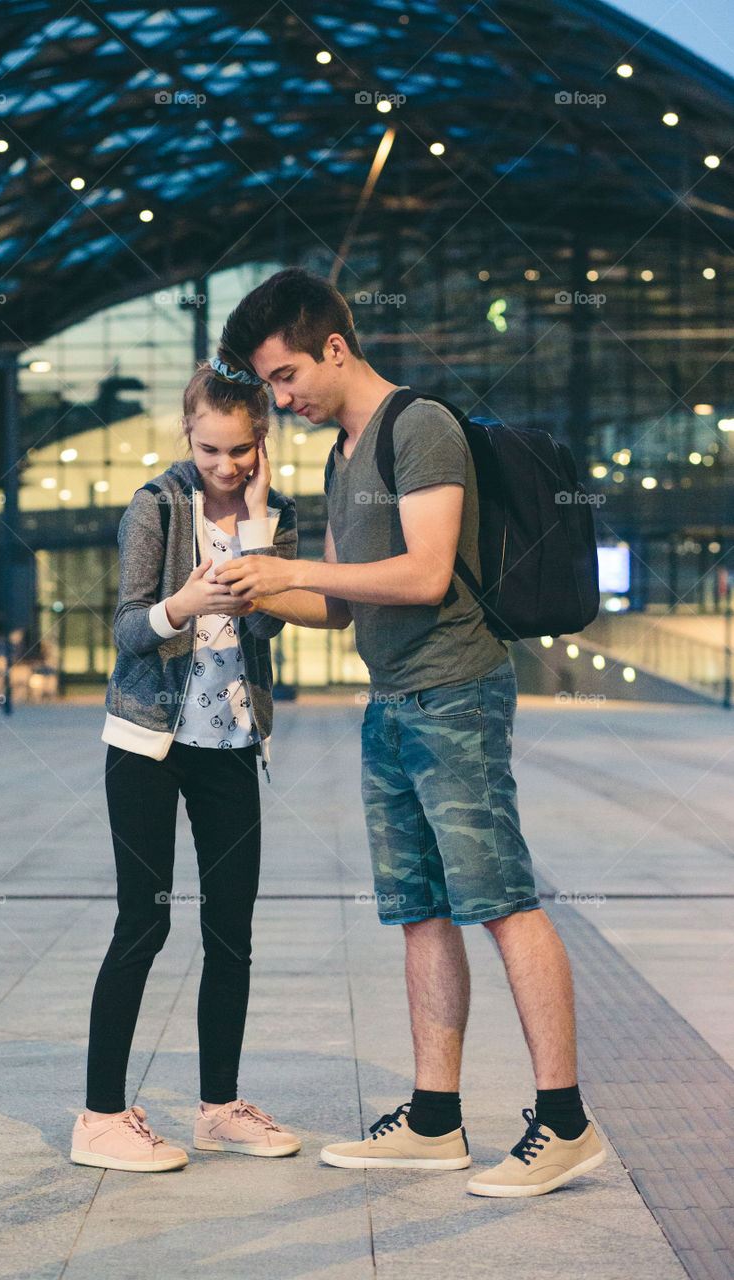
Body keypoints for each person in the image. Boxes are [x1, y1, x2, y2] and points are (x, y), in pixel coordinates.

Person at [213, 268, 606, 1197]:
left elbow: (426, 574)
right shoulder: (341, 452)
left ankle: (565, 1121)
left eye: (283, 376)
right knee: (419, 913)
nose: (280, 398)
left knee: (501, 899)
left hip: (456, 697)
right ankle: (433, 1119)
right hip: (390, 702)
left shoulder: (417, 427)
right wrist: (259, 588)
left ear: (335, 348)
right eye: (269, 383)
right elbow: (345, 606)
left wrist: (294, 564)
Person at [70, 357, 301, 1173]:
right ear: (187, 432)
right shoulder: (156, 507)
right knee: (145, 920)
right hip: (147, 744)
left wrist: (264, 532)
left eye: (240, 449)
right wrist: (184, 605)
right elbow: (127, 629)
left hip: (231, 745)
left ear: (261, 440)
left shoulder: (277, 514)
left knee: (230, 931)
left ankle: (217, 1108)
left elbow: (270, 635)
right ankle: (99, 1116)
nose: (226, 466)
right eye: (210, 449)